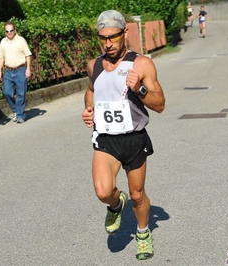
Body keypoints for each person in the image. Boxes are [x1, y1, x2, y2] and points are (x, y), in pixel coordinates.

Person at [82, 10, 165, 260]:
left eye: (113, 37)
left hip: (134, 138)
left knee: (138, 194)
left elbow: (160, 104)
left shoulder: (141, 64)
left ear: (125, 33)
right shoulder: (94, 65)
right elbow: (90, 91)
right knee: (103, 191)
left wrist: (138, 88)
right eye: (103, 38)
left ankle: (142, 233)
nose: (108, 44)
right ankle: (116, 205)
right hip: (106, 138)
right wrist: (89, 111)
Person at [0, 21, 32, 123]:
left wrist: (28, 68)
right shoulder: (3, 42)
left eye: (11, 30)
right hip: (8, 70)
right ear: (5, 32)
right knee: (6, 92)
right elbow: (1, 57)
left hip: (20, 70)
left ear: (15, 30)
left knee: (21, 93)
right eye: (7, 31)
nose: (9, 33)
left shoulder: (21, 41)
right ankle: (17, 110)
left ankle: (20, 115)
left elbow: (28, 55)